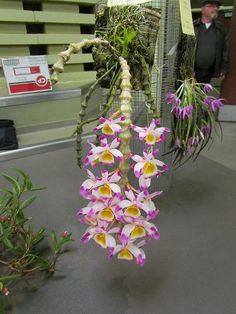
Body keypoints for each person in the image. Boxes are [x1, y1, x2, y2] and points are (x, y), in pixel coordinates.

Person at [194, 0, 229, 83]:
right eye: (212, 6)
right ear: (203, 9)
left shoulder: (221, 29)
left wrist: (223, 68)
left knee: (206, 95)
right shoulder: (193, 26)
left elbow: (225, 50)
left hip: (210, 73)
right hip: (193, 72)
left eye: (217, 7)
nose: (215, 8)